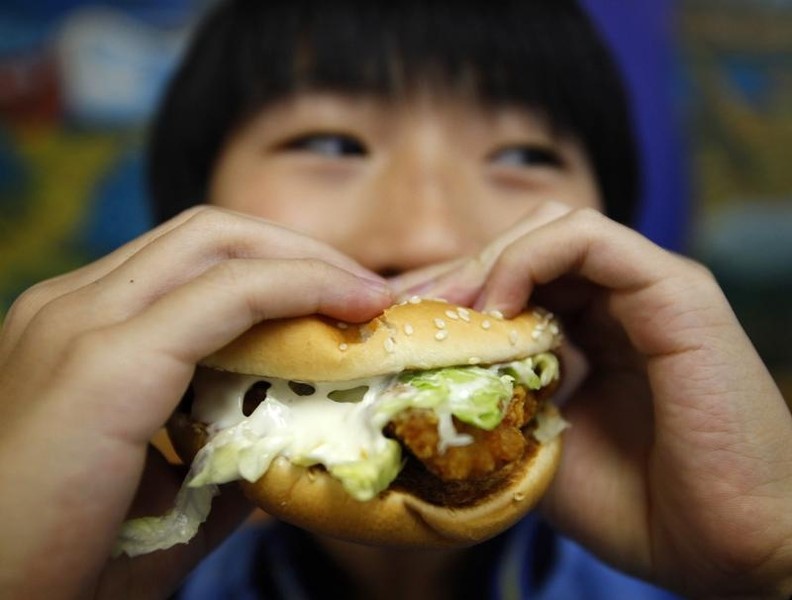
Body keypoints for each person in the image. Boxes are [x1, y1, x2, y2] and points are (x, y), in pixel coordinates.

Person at [0, 1, 790, 598]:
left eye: (523, 154)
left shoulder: (713, 566)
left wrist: (772, 563)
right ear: (189, 215)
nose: (427, 229)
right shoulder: (81, 568)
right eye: (331, 143)